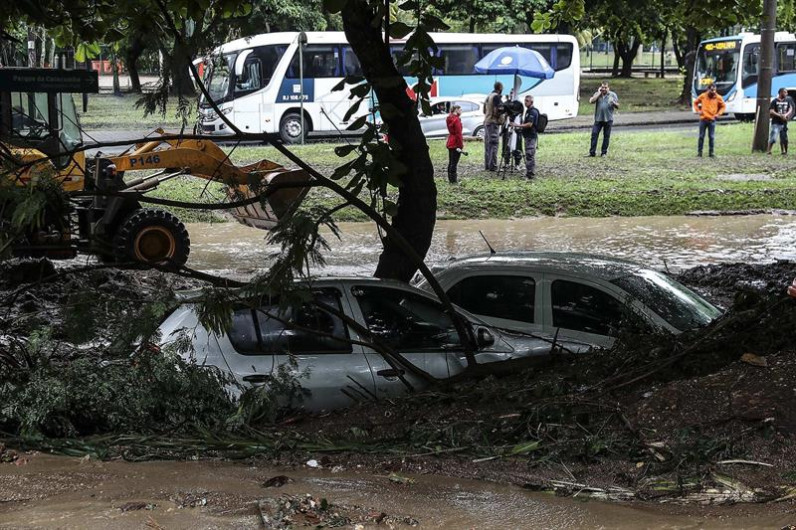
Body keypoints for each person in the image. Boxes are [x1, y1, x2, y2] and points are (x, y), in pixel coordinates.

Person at [693, 83, 726, 157]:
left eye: (714, 90)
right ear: (708, 90)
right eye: (711, 90)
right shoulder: (703, 96)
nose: (713, 91)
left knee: (711, 137)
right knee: (701, 136)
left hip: (712, 120)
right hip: (703, 119)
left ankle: (711, 153)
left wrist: (718, 114)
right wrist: (698, 111)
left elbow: (723, 106)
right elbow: (695, 103)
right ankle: (699, 153)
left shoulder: (718, 97)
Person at [588, 82, 619, 157]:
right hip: (598, 119)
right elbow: (591, 101)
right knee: (594, 134)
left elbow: (618, 106)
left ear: (608, 88)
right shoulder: (598, 94)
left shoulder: (612, 95)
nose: (604, 89)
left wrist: (614, 103)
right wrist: (599, 93)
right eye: (602, 87)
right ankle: (592, 152)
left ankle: (604, 153)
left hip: (608, 119)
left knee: (606, 136)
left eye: (605, 87)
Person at [513, 95, 539, 179]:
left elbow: (529, 124)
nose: (525, 102)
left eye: (527, 101)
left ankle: (530, 173)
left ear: (532, 102)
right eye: (525, 100)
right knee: (528, 154)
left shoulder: (533, 112)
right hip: (527, 136)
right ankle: (529, 172)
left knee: (529, 154)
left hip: (531, 136)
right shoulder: (528, 111)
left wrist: (518, 125)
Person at [483, 81, 504, 171]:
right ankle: (493, 165)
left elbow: (484, 110)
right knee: (494, 144)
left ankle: (487, 165)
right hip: (493, 122)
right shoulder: (496, 97)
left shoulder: (488, 96)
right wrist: (500, 117)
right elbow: (497, 110)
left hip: (487, 121)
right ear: (500, 88)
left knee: (488, 144)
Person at [768, 87, 795, 155]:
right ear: (781, 93)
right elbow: (771, 111)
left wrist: (786, 115)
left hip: (784, 122)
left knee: (783, 138)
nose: (787, 94)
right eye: (785, 92)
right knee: (773, 137)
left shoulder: (787, 100)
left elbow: (790, 109)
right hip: (776, 122)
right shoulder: (774, 101)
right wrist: (780, 115)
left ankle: (784, 151)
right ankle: (768, 151)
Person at [446, 104, 464, 183]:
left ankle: (450, 179)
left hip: (450, 141)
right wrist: (460, 145)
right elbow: (458, 134)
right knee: (454, 163)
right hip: (456, 143)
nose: (461, 111)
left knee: (451, 162)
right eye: (460, 109)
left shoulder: (449, 118)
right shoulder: (456, 120)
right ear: (456, 110)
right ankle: (453, 180)